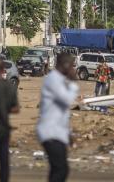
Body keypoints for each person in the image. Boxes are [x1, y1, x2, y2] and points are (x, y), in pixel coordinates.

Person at [37, 53, 80, 182]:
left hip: (57, 133)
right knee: (61, 169)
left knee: (57, 170)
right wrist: (73, 83)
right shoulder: (53, 79)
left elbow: (60, 112)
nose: (74, 69)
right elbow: (67, 99)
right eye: (72, 66)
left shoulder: (59, 80)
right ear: (65, 65)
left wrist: (68, 133)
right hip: (50, 132)